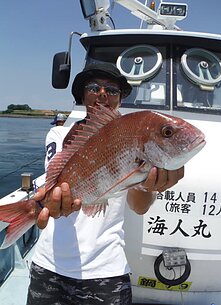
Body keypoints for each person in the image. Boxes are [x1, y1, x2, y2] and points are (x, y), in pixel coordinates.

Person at [26, 62, 184, 305]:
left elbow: (139, 207)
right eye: (94, 87)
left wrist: (147, 183)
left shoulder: (133, 137)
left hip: (106, 270)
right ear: (83, 95)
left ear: (120, 99)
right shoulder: (59, 134)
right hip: (49, 264)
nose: (102, 94)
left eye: (111, 90)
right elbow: (56, 188)